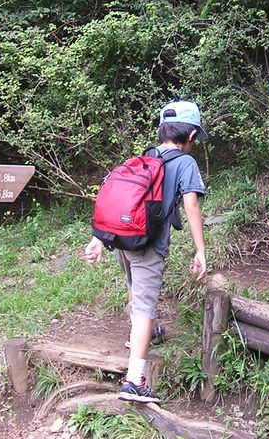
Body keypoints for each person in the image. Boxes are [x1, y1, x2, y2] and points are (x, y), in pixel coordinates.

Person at [83, 100, 208, 403]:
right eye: (196, 137)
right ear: (190, 134)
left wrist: (99, 239)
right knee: (145, 306)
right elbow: (191, 206)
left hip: (122, 240)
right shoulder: (185, 163)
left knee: (134, 290)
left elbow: (120, 198)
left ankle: (142, 336)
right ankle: (134, 381)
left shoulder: (145, 157)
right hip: (148, 246)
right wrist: (201, 250)